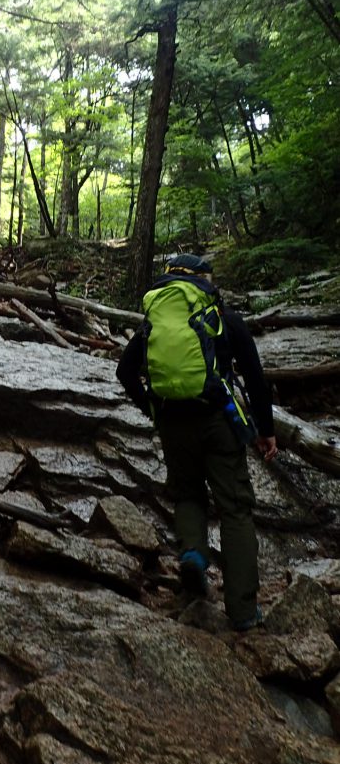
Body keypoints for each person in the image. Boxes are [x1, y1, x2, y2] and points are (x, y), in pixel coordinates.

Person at [116, 253, 277, 632]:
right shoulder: (224, 319)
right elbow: (254, 377)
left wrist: (153, 411)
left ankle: (192, 554)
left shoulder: (152, 325)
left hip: (173, 424)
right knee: (235, 509)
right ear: (204, 282)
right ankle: (242, 611)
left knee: (187, 494)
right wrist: (265, 429)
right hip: (219, 422)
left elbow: (125, 372)